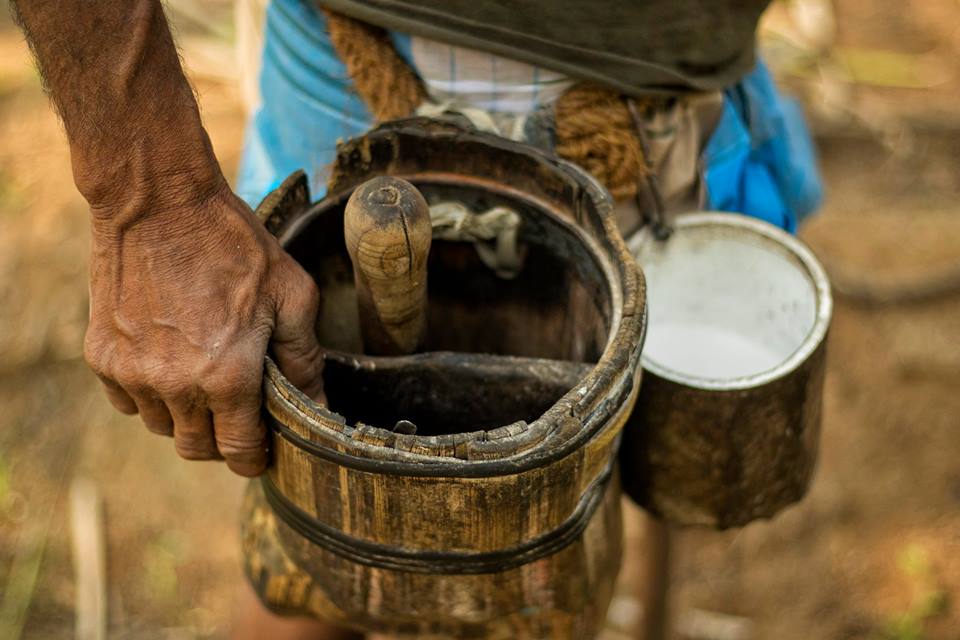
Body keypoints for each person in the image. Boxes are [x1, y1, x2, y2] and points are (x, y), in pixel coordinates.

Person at [12, 1, 821, 638]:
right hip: (347, 64)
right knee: (311, 573)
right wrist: (150, 202)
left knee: (599, 508)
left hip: (658, 107)